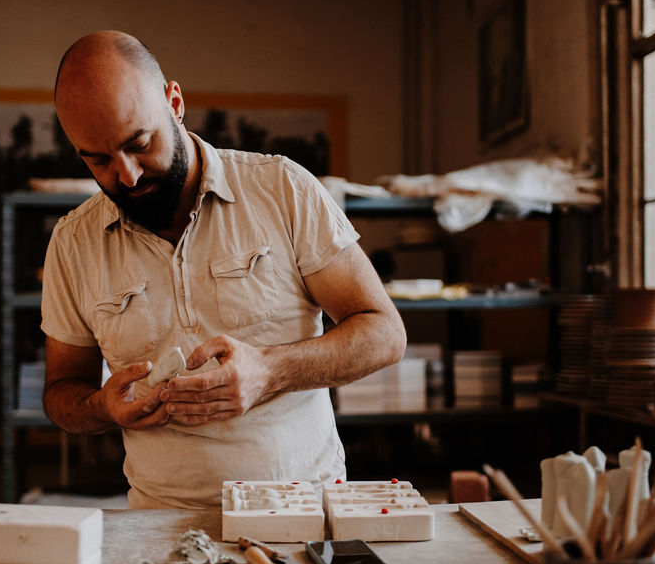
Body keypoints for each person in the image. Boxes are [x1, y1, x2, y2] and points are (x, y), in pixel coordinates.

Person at [42, 30, 406, 508]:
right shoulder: (74, 243)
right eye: (99, 159)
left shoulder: (282, 189)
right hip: (157, 519)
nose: (126, 174)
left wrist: (269, 371)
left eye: (139, 143)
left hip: (301, 510)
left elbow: (384, 333)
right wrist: (101, 407)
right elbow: (62, 392)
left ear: (174, 102)